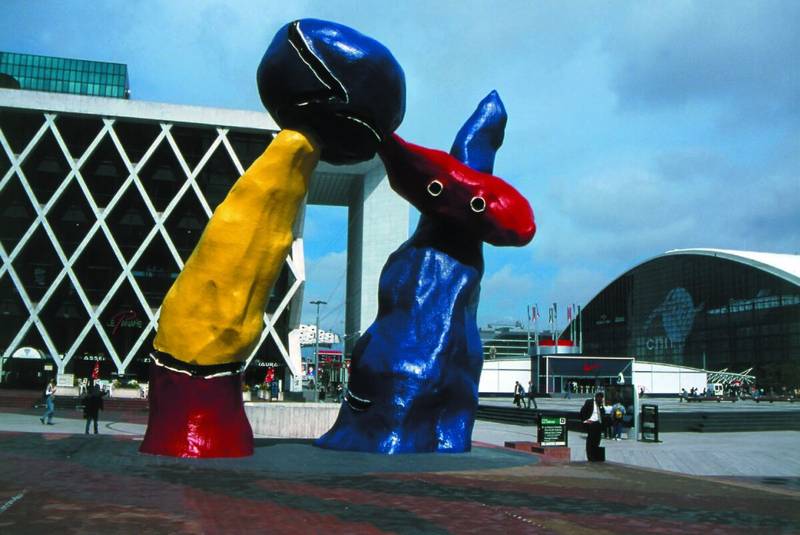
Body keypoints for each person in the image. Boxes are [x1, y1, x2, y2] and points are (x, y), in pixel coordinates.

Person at [580, 391, 606, 462]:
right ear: (596, 397)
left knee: (597, 440)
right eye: (600, 398)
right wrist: (585, 421)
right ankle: (590, 456)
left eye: (602, 398)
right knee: (590, 440)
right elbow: (582, 412)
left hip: (598, 424)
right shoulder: (589, 402)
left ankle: (595, 455)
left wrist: (601, 406)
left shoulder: (600, 404)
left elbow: (603, 413)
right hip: (591, 423)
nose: (601, 400)